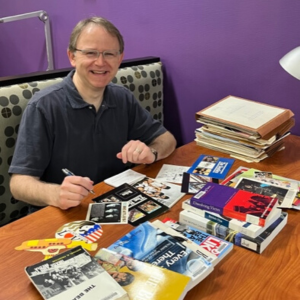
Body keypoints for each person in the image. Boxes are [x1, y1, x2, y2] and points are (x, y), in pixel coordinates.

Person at [9, 16, 176, 213]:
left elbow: (167, 140)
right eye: (90, 53)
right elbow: (18, 184)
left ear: (120, 58)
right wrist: (54, 193)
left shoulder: (122, 97)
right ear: (72, 56)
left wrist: (152, 153)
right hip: (64, 216)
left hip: (117, 207)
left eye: (109, 54)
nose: (100, 62)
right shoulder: (43, 106)